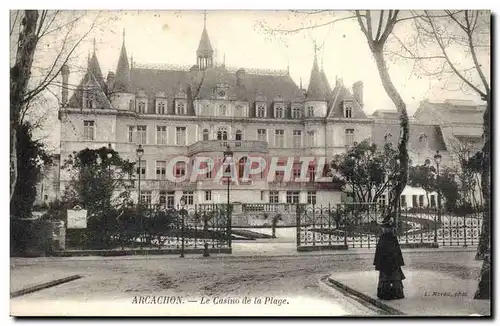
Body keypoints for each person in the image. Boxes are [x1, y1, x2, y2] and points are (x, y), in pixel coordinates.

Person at [373, 217, 405, 300]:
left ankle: (385, 292)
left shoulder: (384, 235)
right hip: (392, 258)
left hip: (387, 258)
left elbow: (380, 249)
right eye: (391, 222)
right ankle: (395, 292)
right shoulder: (391, 234)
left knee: (386, 275)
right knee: (393, 275)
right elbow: (396, 248)